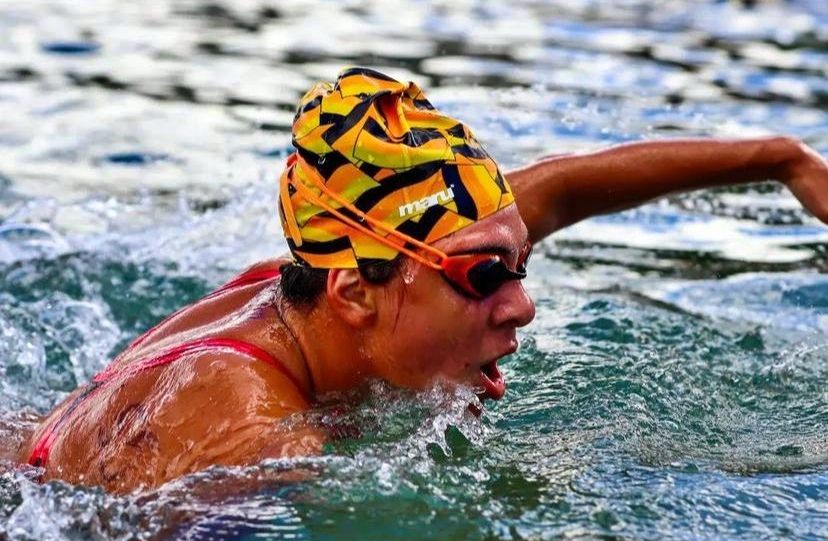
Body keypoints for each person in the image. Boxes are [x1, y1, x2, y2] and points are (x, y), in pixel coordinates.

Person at [16, 67, 828, 493]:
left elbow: (563, 187)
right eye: (485, 276)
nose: (522, 303)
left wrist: (783, 160)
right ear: (353, 293)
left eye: (518, 263)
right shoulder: (259, 438)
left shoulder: (342, 267)